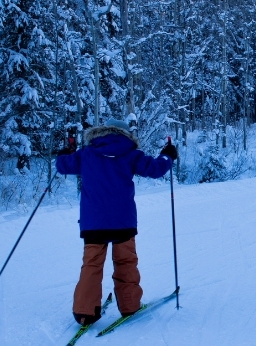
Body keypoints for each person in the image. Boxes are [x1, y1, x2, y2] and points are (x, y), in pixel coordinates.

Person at [56, 119, 178, 325]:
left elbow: (62, 166)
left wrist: (64, 152)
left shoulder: (86, 154)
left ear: (101, 133)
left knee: (92, 264)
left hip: (93, 222)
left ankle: (85, 312)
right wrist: (168, 155)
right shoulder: (130, 153)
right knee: (126, 262)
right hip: (123, 221)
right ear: (125, 134)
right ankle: (130, 306)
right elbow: (155, 169)